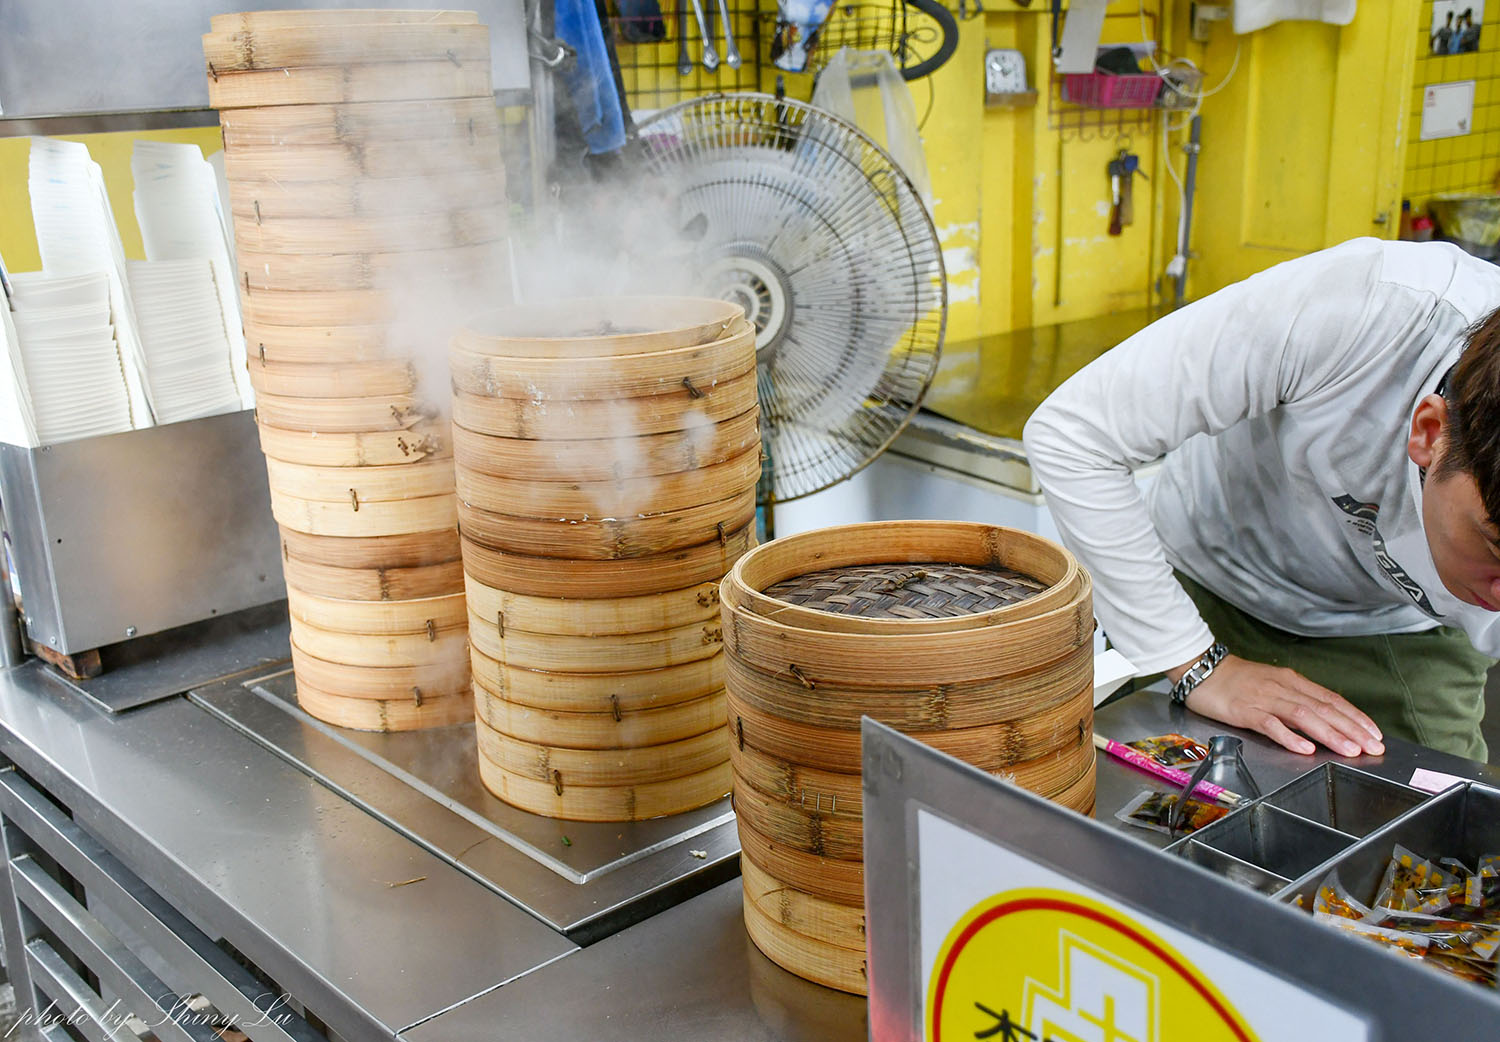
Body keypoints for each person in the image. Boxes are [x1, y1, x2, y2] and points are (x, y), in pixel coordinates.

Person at [1022, 238, 1500, 760]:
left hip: (1402, 632)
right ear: (1431, 433)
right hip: (1215, 581)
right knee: (1152, 821)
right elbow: (1074, 435)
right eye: (1494, 548)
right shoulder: (1363, 312)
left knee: (1441, 831)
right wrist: (1193, 661)